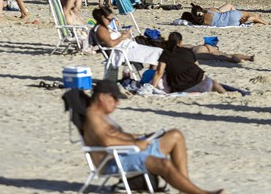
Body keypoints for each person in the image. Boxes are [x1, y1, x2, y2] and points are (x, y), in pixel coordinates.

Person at [83, 80, 224, 194]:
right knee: (164, 164)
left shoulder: (102, 116)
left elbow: (116, 136)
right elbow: (107, 142)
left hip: (127, 152)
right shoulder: (93, 116)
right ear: (102, 97)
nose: (117, 103)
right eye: (114, 98)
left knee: (175, 135)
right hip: (112, 162)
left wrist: (141, 137)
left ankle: (184, 189)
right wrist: (136, 143)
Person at [150, 32, 227, 93]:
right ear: (180, 42)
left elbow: (159, 72)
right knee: (214, 84)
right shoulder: (188, 51)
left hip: (179, 86)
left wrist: (152, 88)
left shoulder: (166, 53)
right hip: (199, 81)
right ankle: (226, 93)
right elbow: (197, 66)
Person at [92, 7, 163, 65]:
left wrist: (121, 33)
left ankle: (153, 75)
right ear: (103, 17)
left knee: (158, 52)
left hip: (126, 48)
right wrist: (122, 37)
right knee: (159, 53)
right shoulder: (101, 29)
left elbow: (110, 37)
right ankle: (154, 77)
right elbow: (111, 43)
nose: (111, 22)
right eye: (110, 20)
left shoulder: (105, 28)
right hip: (122, 52)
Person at [190, 3, 267, 27]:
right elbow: (218, 12)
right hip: (231, 15)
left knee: (246, 16)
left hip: (233, 23)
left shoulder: (201, 22)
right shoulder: (210, 11)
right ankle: (263, 22)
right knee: (248, 14)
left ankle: (249, 19)